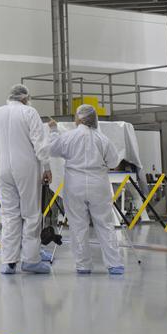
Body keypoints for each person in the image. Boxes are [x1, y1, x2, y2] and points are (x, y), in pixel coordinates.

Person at [47, 105, 125, 275]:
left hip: (74, 184)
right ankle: (114, 264)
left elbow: (52, 149)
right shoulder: (103, 139)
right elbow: (113, 162)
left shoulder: (69, 136)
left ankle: (83, 265)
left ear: (80, 119)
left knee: (78, 225)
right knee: (105, 224)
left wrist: (53, 130)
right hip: (99, 184)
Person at [0, 84, 51, 275]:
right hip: (27, 169)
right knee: (31, 214)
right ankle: (30, 260)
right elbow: (40, 144)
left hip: (4, 169)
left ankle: (8, 262)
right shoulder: (29, 112)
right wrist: (47, 167)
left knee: (9, 215)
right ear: (24, 98)